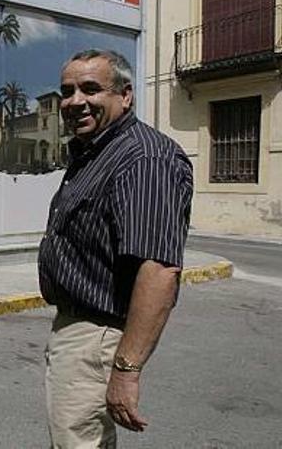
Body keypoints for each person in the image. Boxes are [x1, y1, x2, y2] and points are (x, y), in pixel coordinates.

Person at [39, 49, 193, 447]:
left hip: (99, 336)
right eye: (67, 91)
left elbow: (159, 270)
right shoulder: (96, 153)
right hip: (78, 330)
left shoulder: (144, 158)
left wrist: (125, 370)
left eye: (91, 88)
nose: (75, 101)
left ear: (125, 96)